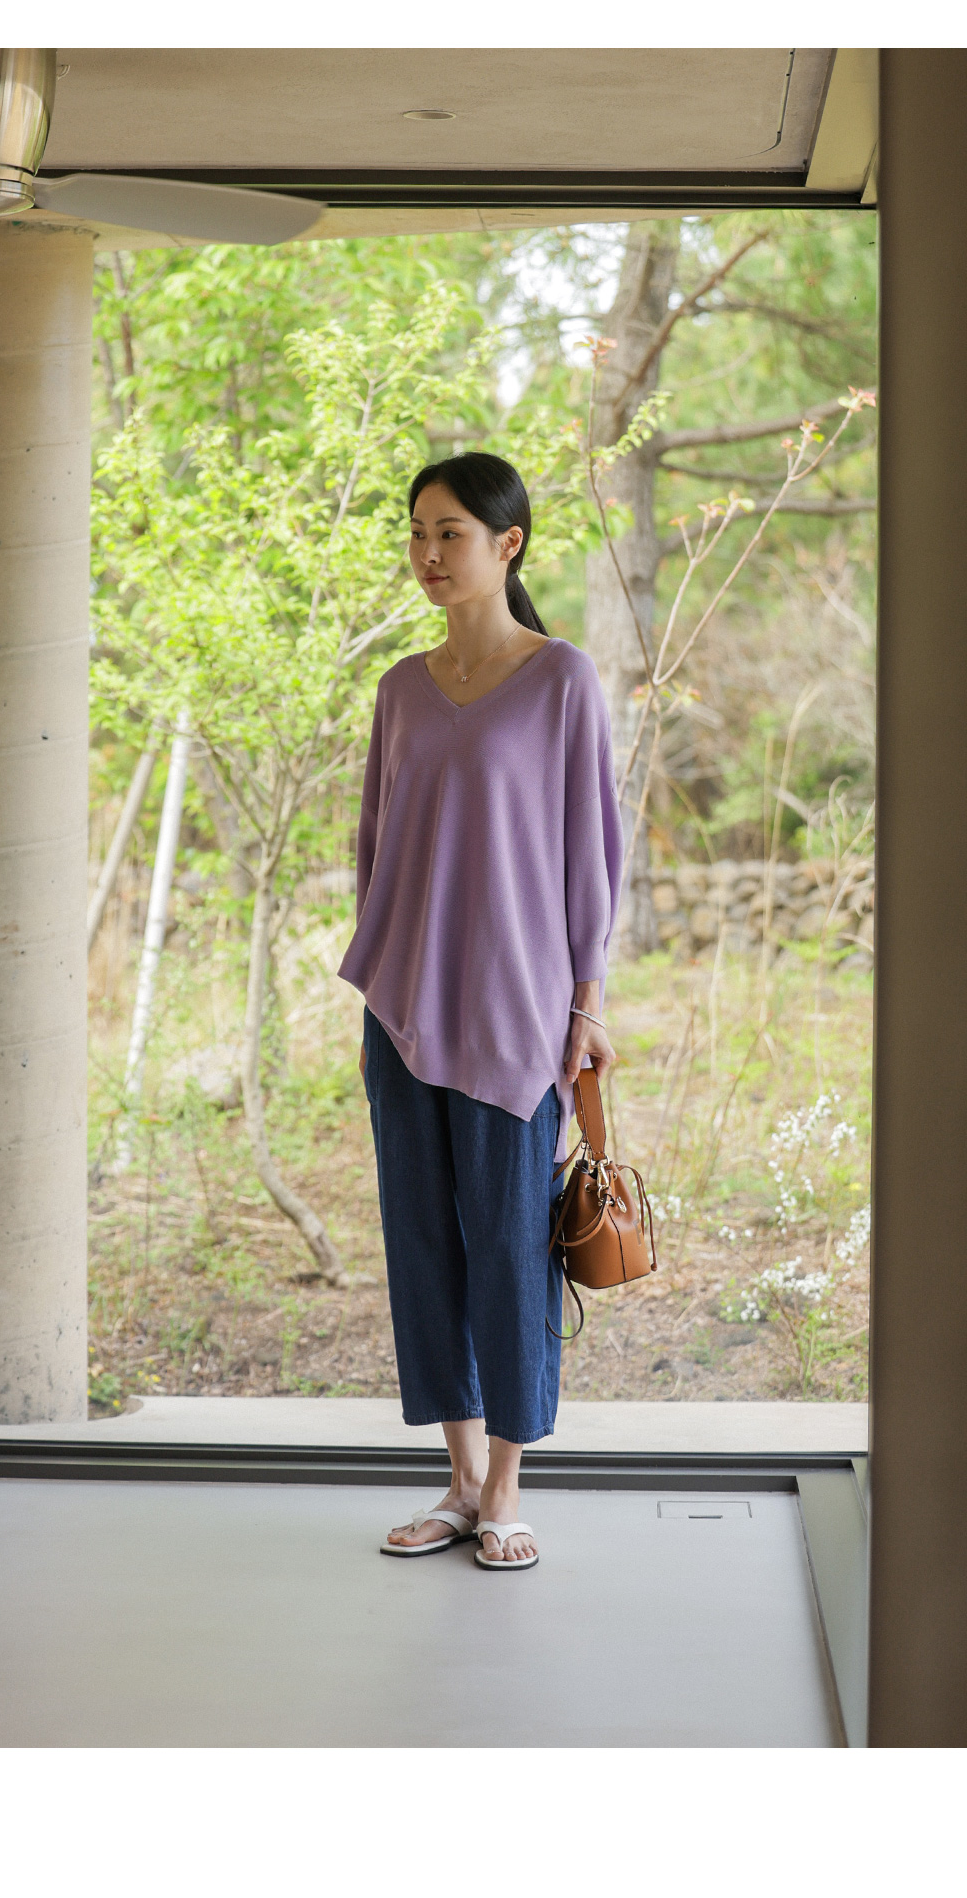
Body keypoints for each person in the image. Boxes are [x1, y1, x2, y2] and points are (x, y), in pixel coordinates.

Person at [338, 451, 624, 1570]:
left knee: (509, 1246)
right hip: (405, 1009)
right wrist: (382, 973)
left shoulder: (561, 680)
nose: (427, 553)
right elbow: (375, 847)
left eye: (448, 532)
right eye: (416, 532)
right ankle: (458, 1481)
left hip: (518, 1011)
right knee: (422, 1243)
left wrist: (585, 1003)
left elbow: (590, 855)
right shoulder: (399, 690)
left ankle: (506, 1488)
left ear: (508, 544)